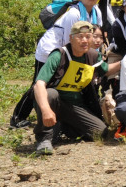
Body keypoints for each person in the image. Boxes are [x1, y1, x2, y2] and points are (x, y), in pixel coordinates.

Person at [12, 0, 105, 128]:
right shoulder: (74, 13)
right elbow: (69, 39)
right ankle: (18, 117)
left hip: (70, 50)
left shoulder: (96, 11)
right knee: (39, 83)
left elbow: (95, 35)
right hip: (51, 49)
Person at [32, 20, 117, 154]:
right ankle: (44, 139)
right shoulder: (59, 55)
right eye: (80, 36)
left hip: (75, 106)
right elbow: (39, 85)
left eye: (88, 36)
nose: (84, 40)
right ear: (71, 38)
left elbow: (105, 70)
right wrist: (46, 109)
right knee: (50, 94)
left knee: (101, 132)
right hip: (55, 102)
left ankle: (63, 126)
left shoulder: (93, 56)